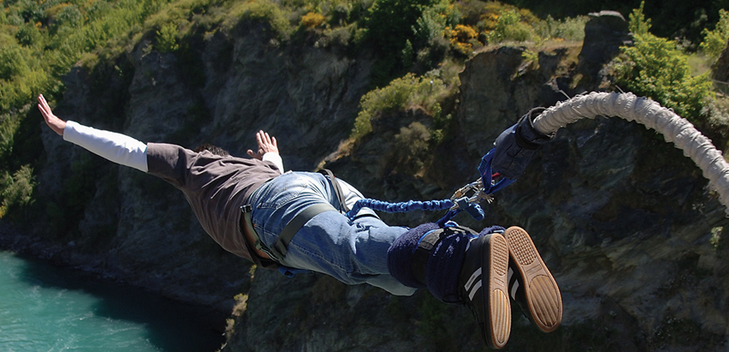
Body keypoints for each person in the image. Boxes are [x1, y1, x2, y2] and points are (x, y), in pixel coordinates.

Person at [37, 94, 562, 349]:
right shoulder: (256, 166)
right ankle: (496, 267)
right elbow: (284, 182)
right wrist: (272, 159)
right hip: (322, 188)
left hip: (274, 214)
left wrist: (67, 129)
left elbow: (126, 149)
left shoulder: (190, 167)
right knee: (389, 275)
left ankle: (467, 258)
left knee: (360, 257)